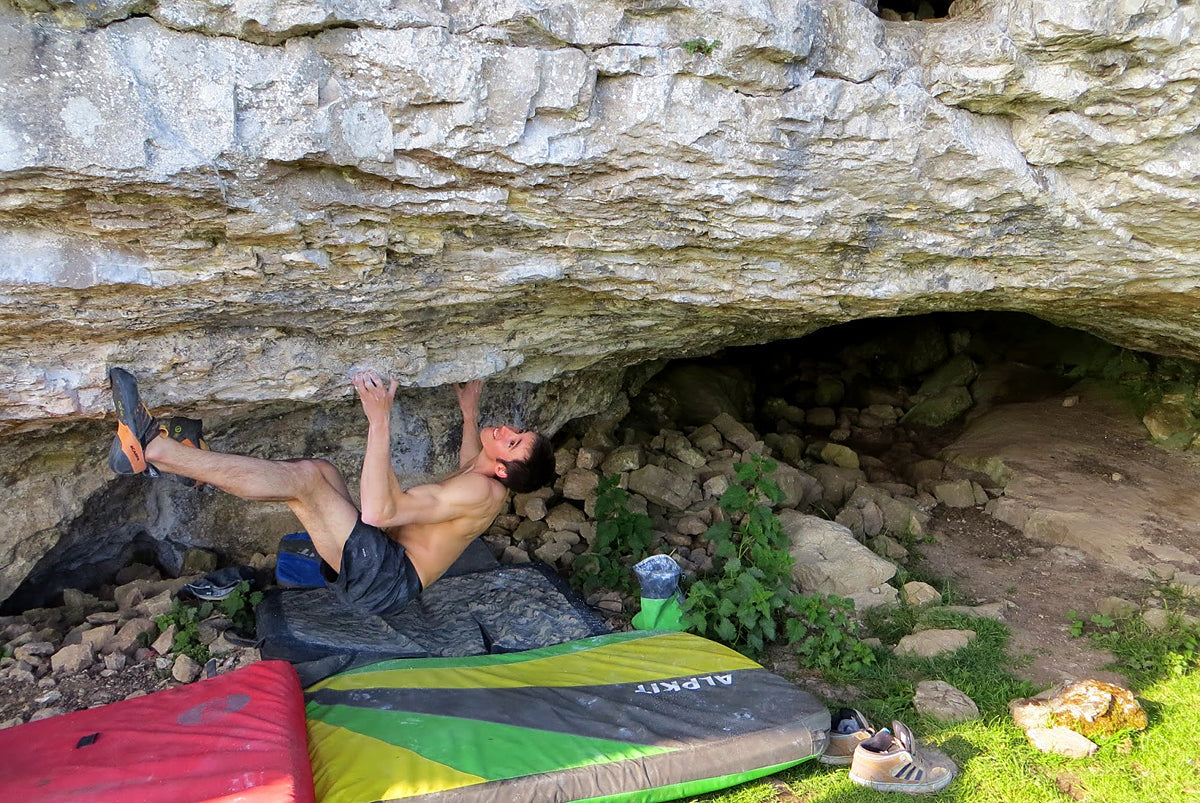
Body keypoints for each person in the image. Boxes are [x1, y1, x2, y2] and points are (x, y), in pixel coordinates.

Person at [107, 367, 555, 616]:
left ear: (501, 469)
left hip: (384, 577)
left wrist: (379, 420)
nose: (506, 430)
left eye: (512, 441)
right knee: (318, 471)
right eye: (517, 430)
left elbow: (379, 513)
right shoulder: (483, 474)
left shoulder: (480, 493)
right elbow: (468, 460)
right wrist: (469, 414)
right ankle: (194, 466)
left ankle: (151, 448)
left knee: (305, 483)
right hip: (382, 558)